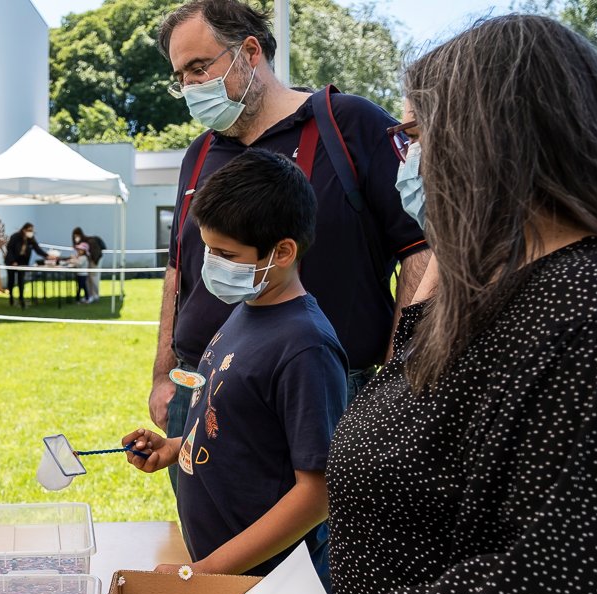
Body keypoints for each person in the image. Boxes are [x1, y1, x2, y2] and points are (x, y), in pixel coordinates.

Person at [220, 15, 597, 594]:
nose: (406, 162)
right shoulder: (505, 289)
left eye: (415, 135)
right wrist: (450, 252)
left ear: (491, 138)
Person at [151, 0, 431, 495]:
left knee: (317, 535)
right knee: (212, 534)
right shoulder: (200, 152)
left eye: (199, 68)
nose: (191, 87)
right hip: (199, 388)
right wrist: (162, 375)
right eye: (181, 77)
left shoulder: (348, 123)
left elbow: (420, 249)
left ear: (249, 52)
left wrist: (393, 384)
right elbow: (178, 270)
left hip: (321, 390)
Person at [124, 148, 346, 578]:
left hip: (268, 587)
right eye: (209, 250)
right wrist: (175, 446)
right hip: (224, 577)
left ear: (283, 252)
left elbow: (317, 494)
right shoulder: (247, 310)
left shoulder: (306, 347)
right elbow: (237, 426)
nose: (212, 265)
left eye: (226, 255)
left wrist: (207, 571)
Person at [3, 222, 47, 308]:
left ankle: (21, 299)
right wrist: (13, 261)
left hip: (22, 262)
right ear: (24, 230)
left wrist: (47, 256)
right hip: (11, 261)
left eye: (32, 231)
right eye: (29, 230)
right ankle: (11, 298)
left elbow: (37, 249)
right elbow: (9, 249)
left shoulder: (31, 239)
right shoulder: (15, 237)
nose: (31, 232)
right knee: (11, 280)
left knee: (21, 280)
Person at [72, 226, 103, 302]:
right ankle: (89, 295)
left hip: (95, 260)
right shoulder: (82, 243)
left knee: (93, 277)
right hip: (90, 260)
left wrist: (94, 263)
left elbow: (96, 254)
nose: (76, 238)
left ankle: (95, 295)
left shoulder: (89, 241)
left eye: (76, 236)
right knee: (88, 278)